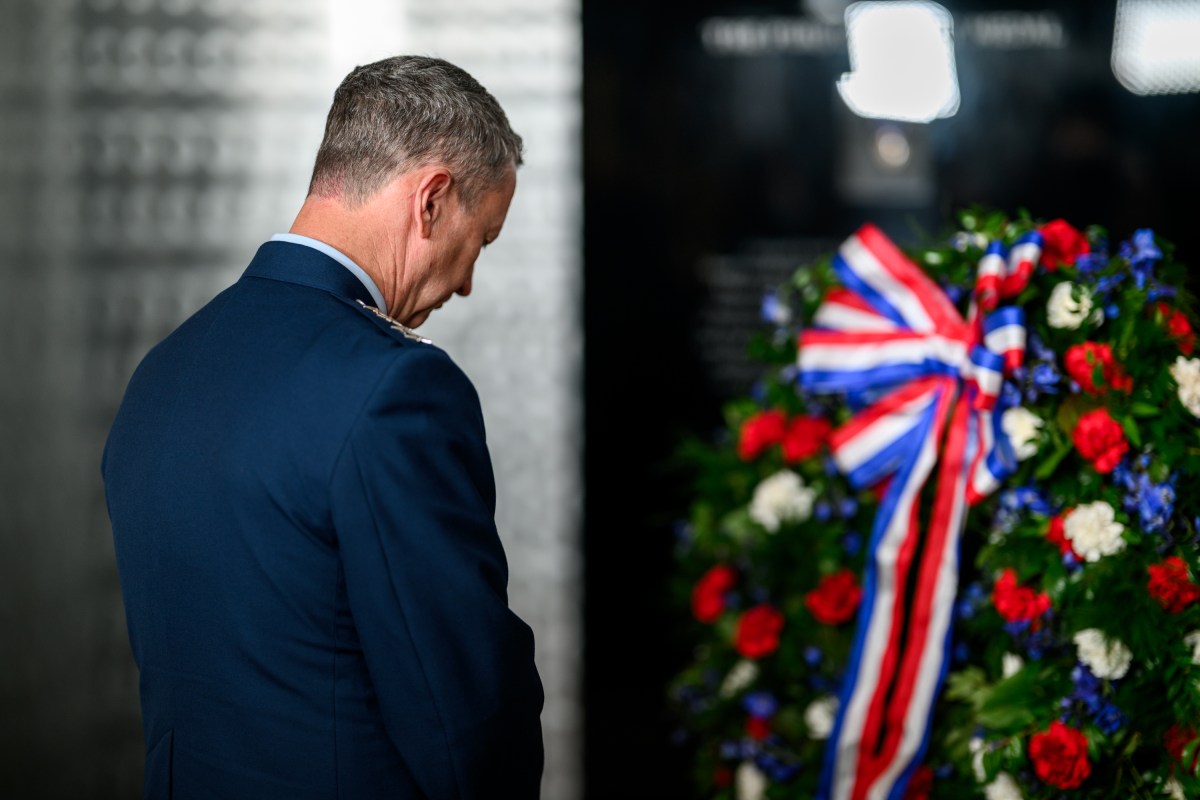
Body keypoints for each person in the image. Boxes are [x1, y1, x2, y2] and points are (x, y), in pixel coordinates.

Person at [102, 55, 544, 799]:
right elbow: (460, 707)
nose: (468, 281)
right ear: (431, 199)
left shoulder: (162, 371)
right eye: (483, 241)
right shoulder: (396, 388)